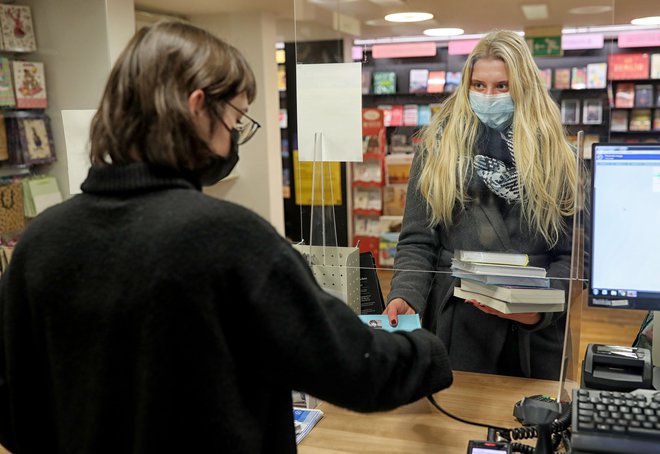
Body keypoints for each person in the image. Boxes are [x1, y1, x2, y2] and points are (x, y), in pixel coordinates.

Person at [0, 21, 453, 454]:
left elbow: (14, 413)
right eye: (236, 116)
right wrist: (430, 350)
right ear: (198, 107)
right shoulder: (227, 238)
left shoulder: (40, 243)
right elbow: (356, 368)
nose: (236, 134)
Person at [384, 30, 578, 380]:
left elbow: (574, 256)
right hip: (458, 324)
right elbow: (417, 241)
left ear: (524, 88)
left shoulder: (561, 158)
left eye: (502, 86)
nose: (489, 96)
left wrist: (539, 310)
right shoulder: (438, 149)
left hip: (533, 336)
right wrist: (406, 294)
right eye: (479, 85)